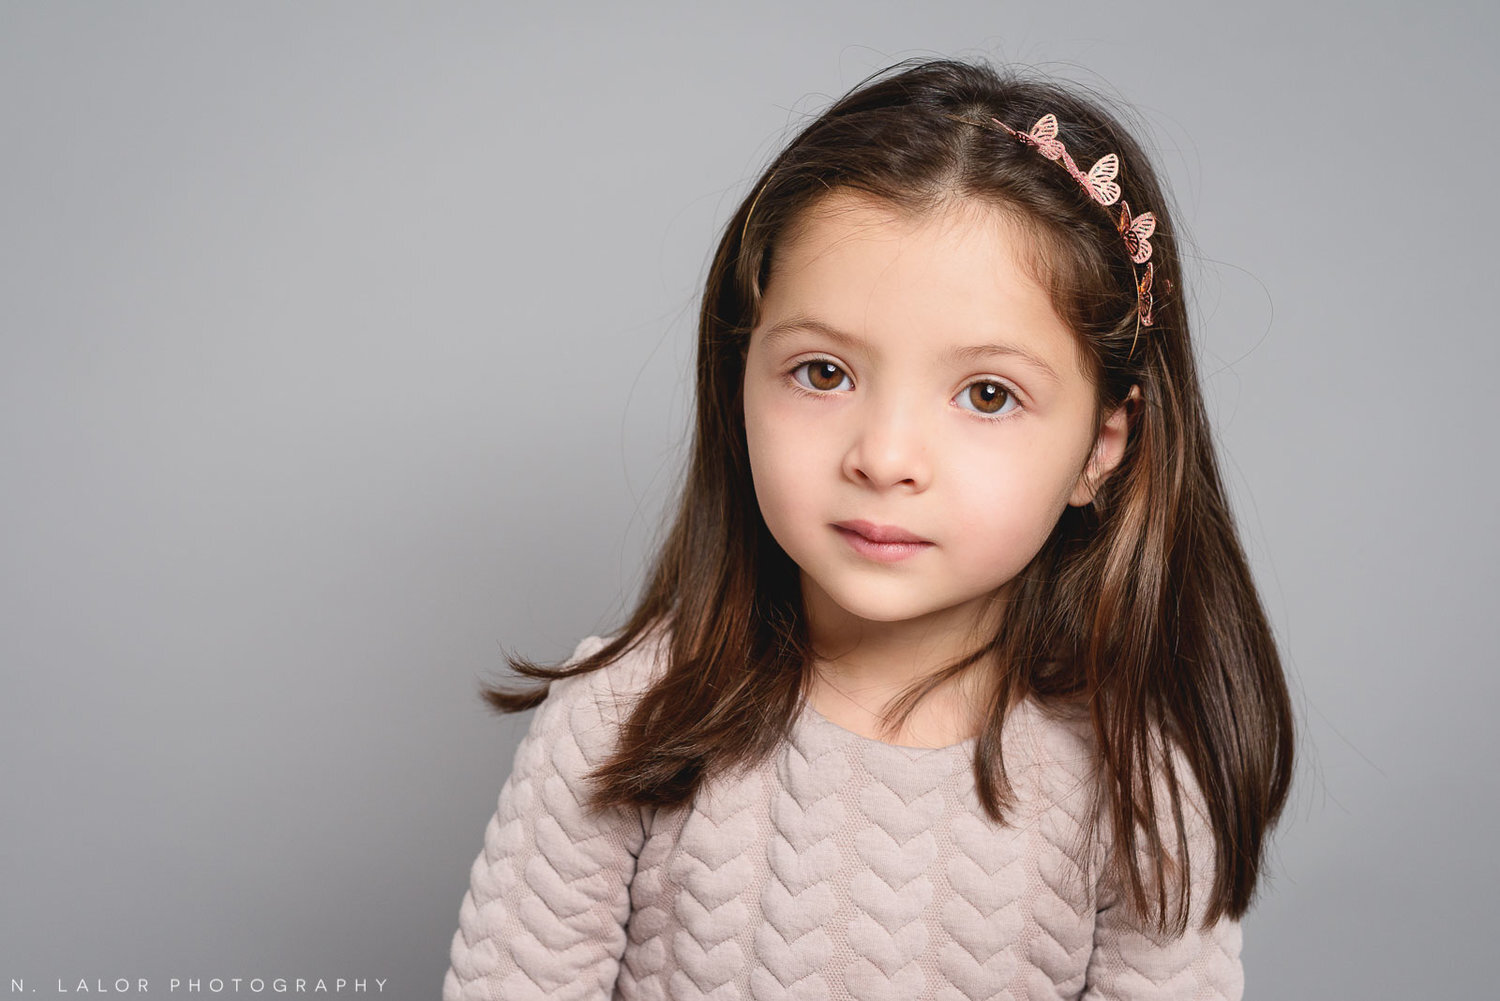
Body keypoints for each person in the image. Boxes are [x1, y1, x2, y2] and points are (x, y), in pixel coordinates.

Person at [442, 57, 1294, 1001]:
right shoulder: (619, 722)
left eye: (986, 394)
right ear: (741, 382)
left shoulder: (1138, 790)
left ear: (1100, 448)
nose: (884, 457)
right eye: (823, 373)